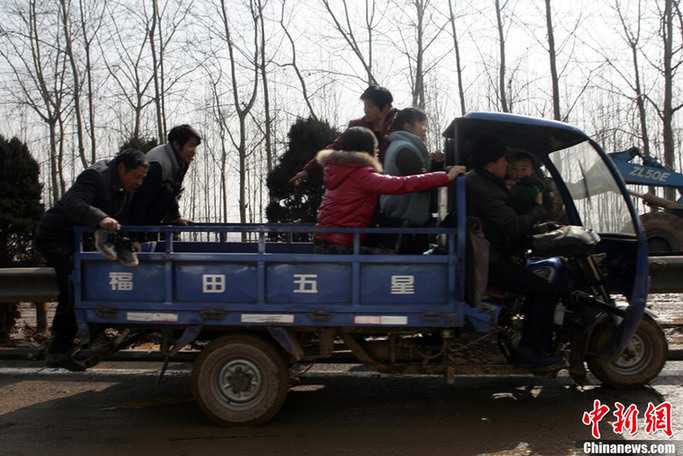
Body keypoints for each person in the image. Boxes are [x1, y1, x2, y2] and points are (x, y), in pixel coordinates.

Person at [35, 149, 149, 371]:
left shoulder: (126, 188)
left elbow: (121, 219)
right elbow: (73, 203)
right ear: (122, 168)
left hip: (83, 240)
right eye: (137, 176)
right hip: (56, 237)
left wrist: (130, 240)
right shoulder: (96, 176)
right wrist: (101, 218)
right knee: (74, 280)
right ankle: (60, 349)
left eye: (143, 178)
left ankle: (88, 337)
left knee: (96, 279)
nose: (139, 182)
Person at [465, 135, 563, 369]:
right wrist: (538, 209)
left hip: (487, 254)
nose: (507, 165)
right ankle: (529, 353)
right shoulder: (486, 189)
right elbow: (513, 225)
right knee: (543, 290)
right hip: (489, 260)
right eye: (503, 160)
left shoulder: (483, 181)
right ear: (491, 165)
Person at [314, 126, 466, 254]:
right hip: (342, 243)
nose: (378, 150)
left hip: (325, 240)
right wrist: (445, 177)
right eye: (375, 146)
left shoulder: (338, 170)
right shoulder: (360, 174)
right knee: (393, 263)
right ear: (367, 148)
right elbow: (401, 184)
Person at [289, 85, 395, 186]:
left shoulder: (399, 126)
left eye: (370, 106)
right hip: (363, 185)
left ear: (385, 108)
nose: (366, 110)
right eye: (365, 106)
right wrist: (308, 171)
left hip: (392, 184)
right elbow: (334, 148)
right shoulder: (357, 127)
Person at [378, 107, 443, 253]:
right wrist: (445, 175)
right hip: (404, 229)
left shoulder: (400, 146)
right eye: (422, 124)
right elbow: (421, 183)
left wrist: (435, 166)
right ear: (408, 126)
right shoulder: (405, 149)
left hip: (403, 226)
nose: (425, 129)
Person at [129, 125, 202, 234]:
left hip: (151, 223)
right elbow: (139, 202)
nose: (194, 151)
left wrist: (176, 216)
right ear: (176, 144)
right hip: (136, 224)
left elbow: (171, 192)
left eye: (196, 147)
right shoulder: (157, 165)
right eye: (191, 146)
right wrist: (133, 236)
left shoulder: (182, 163)